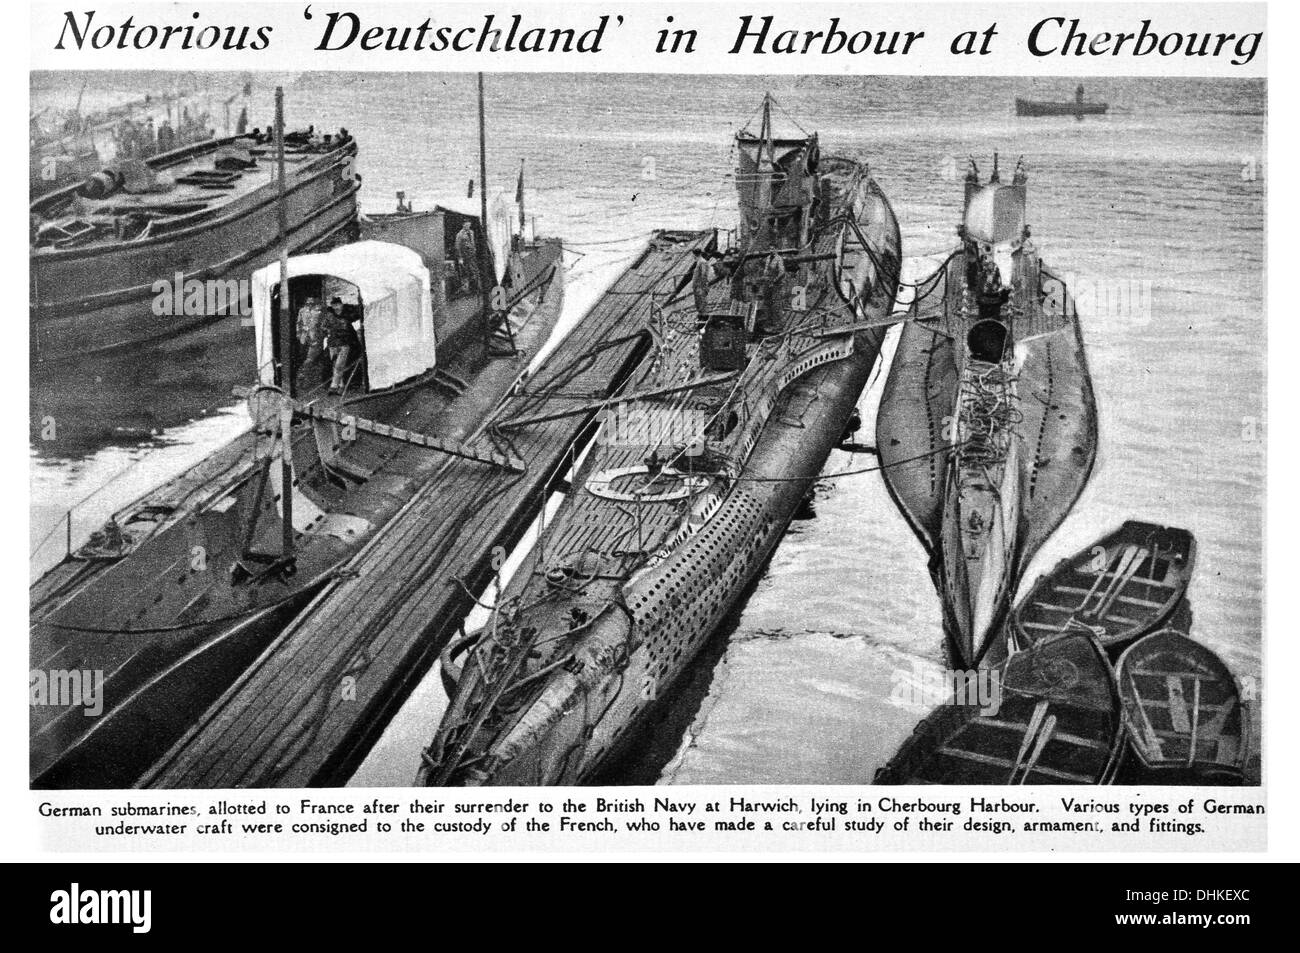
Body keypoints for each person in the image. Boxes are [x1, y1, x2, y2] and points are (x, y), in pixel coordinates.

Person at [324, 296, 362, 394]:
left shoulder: (348, 314)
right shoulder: (329, 315)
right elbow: (323, 326)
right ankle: (341, 386)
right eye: (334, 305)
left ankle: (333, 386)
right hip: (333, 343)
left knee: (339, 365)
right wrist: (328, 331)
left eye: (338, 305)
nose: (336, 307)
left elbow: (357, 316)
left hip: (345, 342)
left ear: (341, 304)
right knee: (335, 364)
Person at [294, 296, 328, 392]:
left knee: (310, 359)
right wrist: (298, 333)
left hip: (315, 338)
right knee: (303, 358)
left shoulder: (319, 310)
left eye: (311, 302)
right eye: (308, 302)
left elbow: (323, 323)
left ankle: (305, 378)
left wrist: (322, 335)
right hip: (303, 338)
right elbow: (298, 322)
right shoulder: (302, 310)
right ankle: (304, 381)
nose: (309, 304)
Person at [761, 250, 786, 333]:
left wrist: (775, 281)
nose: (771, 250)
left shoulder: (779, 259)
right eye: (770, 248)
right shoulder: (768, 258)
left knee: (776, 304)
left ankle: (778, 326)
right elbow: (766, 270)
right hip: (767, 284)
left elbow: (782, 272)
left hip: (775, 284)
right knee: (767, 304)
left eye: (773, 248)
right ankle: (769, 324)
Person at [455, 221, 479, 293]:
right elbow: (457, 246)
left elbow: (473, 242)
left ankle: (475, 288)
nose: (468, 226)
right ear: (463, 225)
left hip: (472, 255)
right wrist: (460, 258)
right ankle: (466, 290)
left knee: (474, 271)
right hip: (464, 256)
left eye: (469, 224)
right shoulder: (460, 234)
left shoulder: (472, 232)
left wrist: (474, 249)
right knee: (465, 272)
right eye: (466, 224)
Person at [691, 248, 713, 318]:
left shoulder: (702, 262)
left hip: (700, 286)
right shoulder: (699, 262)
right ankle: (701, 317)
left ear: (695, 254)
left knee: (702, 303)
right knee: (698, 303)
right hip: (697, 286)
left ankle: (704, 319)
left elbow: (704, 275)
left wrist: (703, 287)